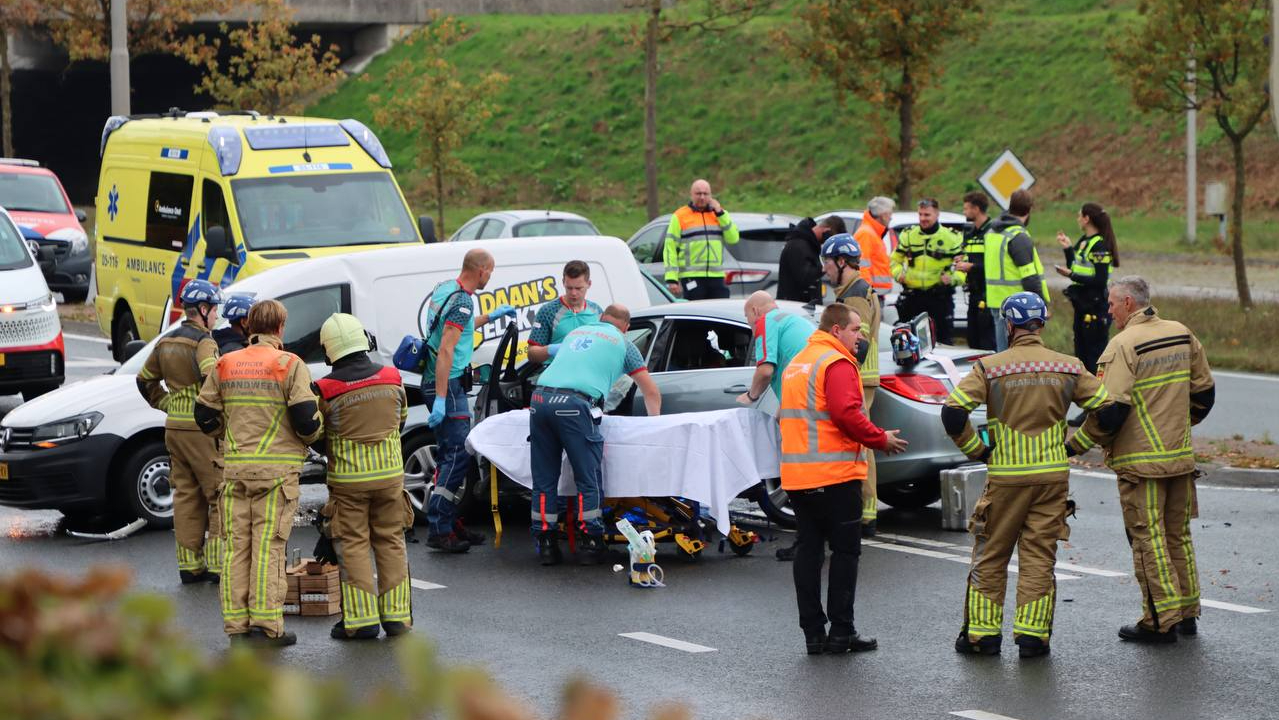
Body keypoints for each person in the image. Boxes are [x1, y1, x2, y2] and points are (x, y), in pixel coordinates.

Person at [944, 292, 1111, 659]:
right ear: (1042, 323)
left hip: (1006, 477)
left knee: (992, 554)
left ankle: (982, 637)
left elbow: (953, 413)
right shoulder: (1069, 366)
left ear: (1009, 324)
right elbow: (1110, 412)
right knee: (1039, 556)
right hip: (1052, 477)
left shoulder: (990, 367)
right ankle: (1033, 638)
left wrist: (979, 452)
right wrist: (1076, 444)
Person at [1066, 276, 1215, 644]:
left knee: (1148, 539)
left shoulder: (1122, 345)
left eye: (1112, 304)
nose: (1109, 310)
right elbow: (1205, 393)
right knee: (1177, 535)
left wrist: (1075, 444)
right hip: (1179, 458)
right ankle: (1186, 613)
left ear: (1129, 303)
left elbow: (1111, 411)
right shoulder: (1181, 333)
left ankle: (1159, 621)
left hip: (1140, 463)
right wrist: (1180, 425)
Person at [780, 303, 908, 655]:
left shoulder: (799, 363)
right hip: (834, 475)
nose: (860, 337)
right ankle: (841, 632)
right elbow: (846, 413)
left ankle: (812, 634)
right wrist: (880, 438)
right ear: (836, 330)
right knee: (845, 552)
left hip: (798, 476)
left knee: (808, 552)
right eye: (855, 330)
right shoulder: (835, 363)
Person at [195, 299, 323, 647]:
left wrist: (227, 434)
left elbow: (204, 416)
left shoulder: (226, 363)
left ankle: (236, 625)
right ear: (280, 328)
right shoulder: (288, 364)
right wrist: (311, 437)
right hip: (276, 475)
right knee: (268, 547)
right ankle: (267, 626)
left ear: (249, 326)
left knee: (237, 548)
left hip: (235, 472)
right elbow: (306, 421)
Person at [529, 304, 662, 565]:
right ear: (626, 327)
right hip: (574, 405)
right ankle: (591, 543)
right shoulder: (623, 342)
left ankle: (546, 544)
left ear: (601, 319)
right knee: (587, 476)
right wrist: (654, 426)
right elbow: (650, 390)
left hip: (539, 399)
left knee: (544, 479)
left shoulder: (577, 333)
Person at [314, 313, 413, 641]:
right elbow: (401, 419)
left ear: (329, 352)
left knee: (353, 545)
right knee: (391, 541)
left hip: (349, 483)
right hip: (390, 477)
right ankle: (397, 619)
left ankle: (361, 622)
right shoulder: (392, 377)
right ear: (364, 341)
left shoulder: (325, 389)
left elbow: (316, 433)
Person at [420, 248, 517, 553]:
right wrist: (441, 397)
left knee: (450, 452)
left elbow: (456, 329)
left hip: (440, 381)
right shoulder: (462, 300)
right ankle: (439, 527)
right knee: (458, 455)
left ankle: (447, 521)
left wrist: (490, 317)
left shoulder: (446, 288)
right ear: (481, 270)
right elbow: (447, 349)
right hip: (448, 385)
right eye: (491, 271)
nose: (491, 276)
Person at [136, 279, 224, 584]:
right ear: (202, 309)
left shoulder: (166, 342)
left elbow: (144, 379)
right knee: (218, 494)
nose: (216, 316)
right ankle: (217, 565)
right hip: (201, 431)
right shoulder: (204, 343)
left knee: (186, 495)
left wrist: (167, 403)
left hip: (174, 427)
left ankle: (190, 566)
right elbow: (213, 378)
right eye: (214, 310)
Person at [822, 233, 884, 534]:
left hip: (858, 375)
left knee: (861, 442)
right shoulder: (854, 288)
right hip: (860, 374)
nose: (826, 269)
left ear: (841, 261)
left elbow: (857, 341)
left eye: (828, 262)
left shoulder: (856, 293)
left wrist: (845, 371)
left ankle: (867, 512)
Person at [1055, 202, 1120, 374]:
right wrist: (1068, 249)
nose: (1077, 219)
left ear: (1086, 219)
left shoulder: (1099, 245)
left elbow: (1100, 280)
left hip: (1095, 307)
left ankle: (1099, 396)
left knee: (1094, 357)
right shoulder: (1084, 241)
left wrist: (1071, 276)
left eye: (1079, 216)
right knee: (1081, 355)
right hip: (1082, 305)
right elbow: (1074, 267)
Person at [891, 199, 965, 344]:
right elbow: (895, 260)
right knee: (910, 342)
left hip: (939, 298)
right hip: (913, 298)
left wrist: (953, 279)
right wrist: (899, 274)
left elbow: (962, 266)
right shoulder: (908, 235)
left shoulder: (951, 237)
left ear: (937, 214)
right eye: (920, 214)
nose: (923, 218)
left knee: (943, 342)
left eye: (927, 215)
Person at [984, 189, 1049, 351]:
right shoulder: (1018, 236)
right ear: (1029, 209)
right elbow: (1029, 277)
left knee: (1003, 354)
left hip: (996, 302)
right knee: (1019, 356)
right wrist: (1041, 306)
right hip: (1020, 308)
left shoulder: (993, 232)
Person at [662, 179, 740, 300]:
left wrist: (720, 213)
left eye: (706, 193)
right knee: (696, 315)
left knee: (719, 315)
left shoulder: (720, 214)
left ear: (711, 195)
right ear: (691, 194)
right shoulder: (679, 216)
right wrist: (672, 278)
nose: (702, 197)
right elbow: (669, 248)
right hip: (691, 277)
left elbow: (733, 238)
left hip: (717, 276)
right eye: (698, 193)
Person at [738, 291, 817, 408]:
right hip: (817, 389)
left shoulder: (765, 321)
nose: (748, 322)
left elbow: (765, 371)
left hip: (803, 393)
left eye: (746, 316)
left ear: (755, 311)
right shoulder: (796, 320)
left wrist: (751, 396)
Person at [527, 260, 604, 364]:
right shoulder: (548, 311)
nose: (573, 293)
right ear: (563, 282)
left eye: (578, 288)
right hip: (558, 375)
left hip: (588, 374)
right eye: (569, 288)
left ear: (589, 284)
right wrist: (550, 350)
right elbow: (531, 354)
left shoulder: (597, 311)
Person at [956, 191, 996, 350]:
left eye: (966, 208)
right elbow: (972, 258)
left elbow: (995, 266)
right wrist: (962, 261)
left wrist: (971, 267)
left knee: (987, 343)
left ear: (976, 209)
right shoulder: (971, 233)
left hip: (988, 294)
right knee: (973, 341)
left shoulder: (991, 232)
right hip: (973, 294)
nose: (964, 212)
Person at [776, 216, 846, 303]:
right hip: (796, 307)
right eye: (830, 238)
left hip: (806, 306)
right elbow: (807, 278)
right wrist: (827, 260)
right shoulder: (798, 246)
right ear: (826, 231)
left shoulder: (810, 244)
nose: (830, 243)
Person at [853, 197, 896, 302]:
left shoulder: (872, 233)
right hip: (870, 297)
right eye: (889, 214)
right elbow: (861, 267)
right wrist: (867, 295)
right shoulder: (866, 234)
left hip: (875, 295)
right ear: (883, 215)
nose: (890, 218)